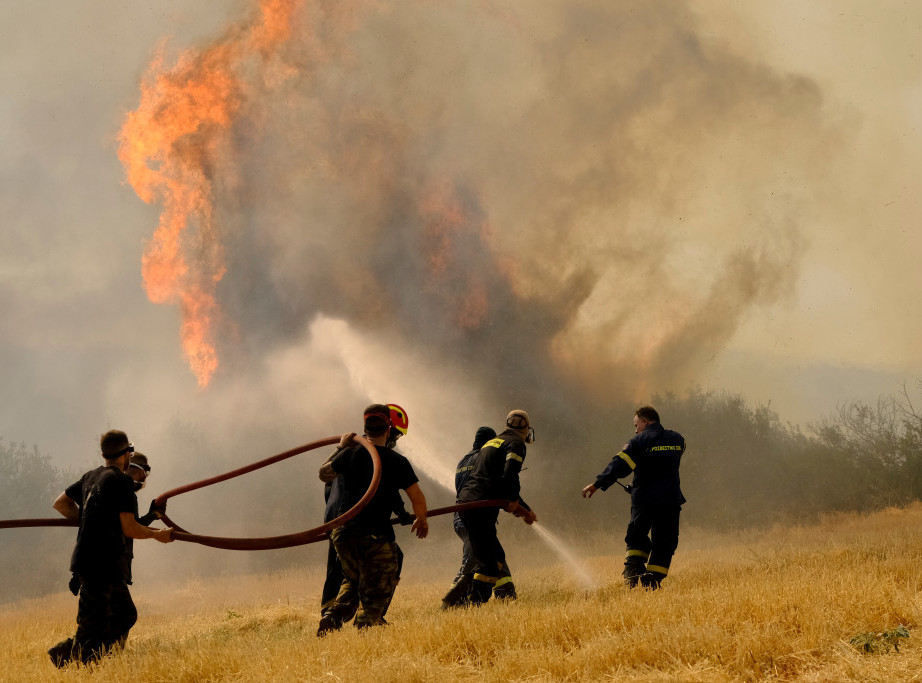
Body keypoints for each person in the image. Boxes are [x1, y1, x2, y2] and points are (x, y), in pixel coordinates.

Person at [47, 430, 173, 667]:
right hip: (101, 565)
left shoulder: (90, 477)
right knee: (90, 632)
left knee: (125, 614)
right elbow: (129, 528)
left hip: (97, 564)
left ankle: (110, 661)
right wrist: (160, 536)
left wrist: (88, 519)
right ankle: (64, 659)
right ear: (127, 454)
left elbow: (60, 503)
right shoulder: (121, 482)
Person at [316, 404, 428, 635]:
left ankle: (334, 615)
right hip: (374, 535)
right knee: (380, 582)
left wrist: (341, 447)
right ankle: (368, 625)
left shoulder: (348, 454)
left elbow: (323, 474)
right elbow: (415, 495)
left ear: (364, 428)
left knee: (354, 576)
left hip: (343, 534)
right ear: (389, 429)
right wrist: (422, 519)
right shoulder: (396, 461)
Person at [582, 405, 686, 589]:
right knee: (665, 541)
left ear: (645, 421)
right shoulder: (678, 439)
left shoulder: (639, 441)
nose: (635, 429)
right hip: (670, 501)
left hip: (645, 500)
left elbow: (619, 465)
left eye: (636, 424)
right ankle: (653, 579)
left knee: (637, 535)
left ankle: (633, 571)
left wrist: (598, 483)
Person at [456, 410, 537, 605]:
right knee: (492, 560)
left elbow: (494, 481)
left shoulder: (493, 442)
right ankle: (471, 601)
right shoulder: (516, 444)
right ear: (526, 428)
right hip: (481, 508)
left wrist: (521, 506)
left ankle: (465, 597)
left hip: (467, 505)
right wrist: (514, 500)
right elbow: (510, 475)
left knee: (490, 558)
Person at [441, 426, 518, 608]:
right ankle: (454, 602)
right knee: (473, 560)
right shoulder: (484, 459)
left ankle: (506, 593)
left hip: (460, 516)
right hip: (475, 517)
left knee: (492, 555)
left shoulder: (463, 461)